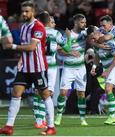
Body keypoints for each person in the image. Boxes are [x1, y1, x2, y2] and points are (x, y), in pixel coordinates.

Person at [0, 1, 56, 135]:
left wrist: (12, 46)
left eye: (27, 11)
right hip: (25, 67)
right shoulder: (24, 26)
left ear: (33, 12)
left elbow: (31, 47)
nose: (24, 14)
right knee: (16, 93)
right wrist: (20, 59)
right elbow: (25, 46)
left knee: (45, 95)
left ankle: (51, 127)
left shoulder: (38, 27)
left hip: (37, 67)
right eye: (23, 11)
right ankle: (9, 126)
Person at [33, 11, 71, 129]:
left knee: (38, 92)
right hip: (51, 67)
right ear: (49, 22)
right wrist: (68, 37)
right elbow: (68, 48)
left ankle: (39, 120)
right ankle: (43, 120)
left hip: (39, 65)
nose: (54, 24)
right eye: (52, 21)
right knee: (48, 93)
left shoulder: (37, 32)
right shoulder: (55, 33)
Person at [54, 13, 88, 126]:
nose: (84, 24)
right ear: (76, 22)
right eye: (82, 22)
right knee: (63, 92)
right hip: (68, 68)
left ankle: (82, 119)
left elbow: (96, 34)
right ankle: (59, 115)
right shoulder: (68, 34)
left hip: (81, 68)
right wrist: (71, 52)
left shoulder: (85, 33)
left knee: (81, 94)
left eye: (85, 22)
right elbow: (59, 50)